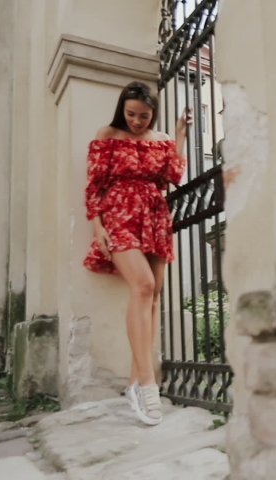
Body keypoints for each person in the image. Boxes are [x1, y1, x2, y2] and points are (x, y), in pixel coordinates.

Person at [83, 81, 192, 426]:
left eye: (144, 116)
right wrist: (97, 227)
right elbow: (94, 185)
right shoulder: (107, 134)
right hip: (118, 214)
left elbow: (173, 175)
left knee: (154, 296)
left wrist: (178, 135)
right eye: (131, 114)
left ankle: (134, 382)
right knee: (143, 286)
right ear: (122, 109)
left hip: (155, 216)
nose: (137, 121)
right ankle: (148, 384)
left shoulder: (160, 141)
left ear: (152, 114)